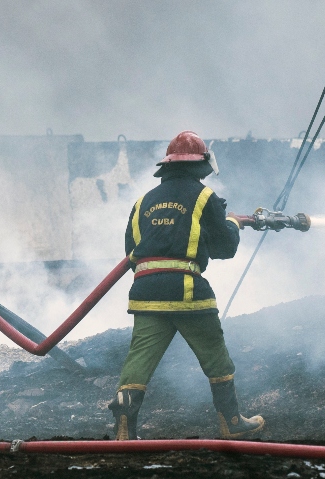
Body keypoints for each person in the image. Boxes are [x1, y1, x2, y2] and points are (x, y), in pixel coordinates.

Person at [109, 130, 265, 440]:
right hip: (187, 290)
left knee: (139, 361)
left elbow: (131, 251)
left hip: (145, 292)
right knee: (215, 354)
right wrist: (233, 222)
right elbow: (225, 248)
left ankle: (124, 427)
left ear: (167, 166)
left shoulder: (143, 202)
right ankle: (231, 422)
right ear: (200, 166)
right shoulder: (205, 197)